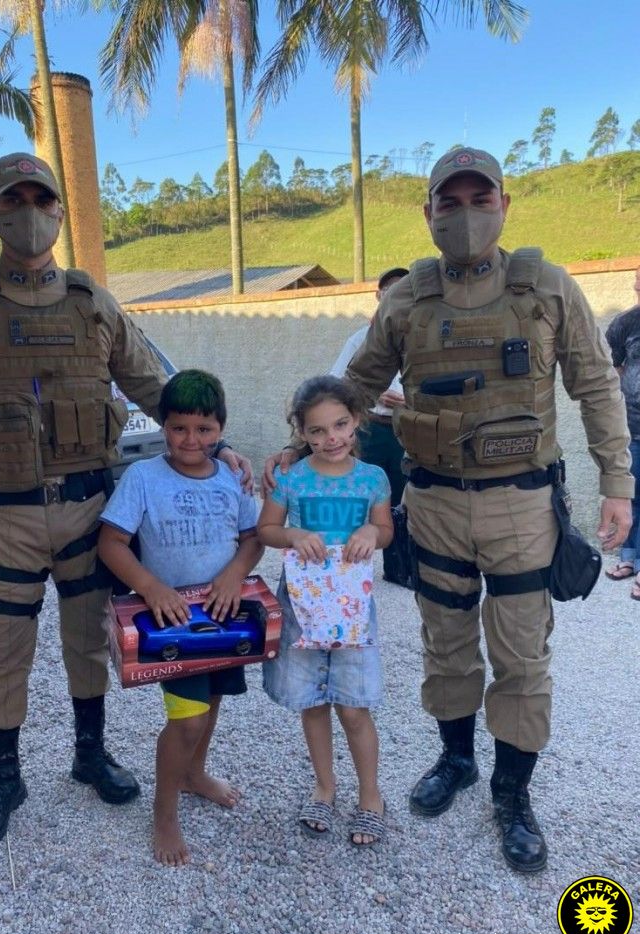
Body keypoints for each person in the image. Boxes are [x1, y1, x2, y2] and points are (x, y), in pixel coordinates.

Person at [265, 147, 632, 872]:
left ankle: (512, 794)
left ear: (504, 205)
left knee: (521, 654)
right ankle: (457, 760)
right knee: (447, 644)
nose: (466, 214)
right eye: (450, 202)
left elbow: (596, 384)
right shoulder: (408, 300)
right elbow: (354, 387)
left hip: (521, 505)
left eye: (479, 199)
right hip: (432, 503)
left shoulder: (548, 287)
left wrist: (617, 481)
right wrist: (297, 447)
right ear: (428, 212)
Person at [0, 153, 250, 856]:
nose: (29, 212)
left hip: (85, 509)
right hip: (0, 517)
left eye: (41, 198)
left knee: (87, 641)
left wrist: (215, 447)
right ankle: (3, 778)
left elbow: (155, 387)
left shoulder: (92, 301)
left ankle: (90, 753)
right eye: (14, 200)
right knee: (2, 650)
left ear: (60, 211)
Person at [98, 370, 262, 866]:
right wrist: (150, 587)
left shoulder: (232, 477)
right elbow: (111, 544)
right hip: (173, 624)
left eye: (204, 429)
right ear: (162, 426)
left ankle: (194, 774)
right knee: (187, 721)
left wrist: (234, 574)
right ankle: (164, 812)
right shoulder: (143, 477)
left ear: (221, 429)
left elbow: (253, 538)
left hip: (225, 616)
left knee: (211, 702)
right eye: (179, 428)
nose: (191, 440)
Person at [258, 376, 393, 846]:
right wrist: (293, 535)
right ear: (301, 432)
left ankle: (370, 796)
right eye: (316, 430)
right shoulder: (291, 478)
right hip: (302, 605)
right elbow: (267, 528)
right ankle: (324, 788)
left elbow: (386, 530)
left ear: (356, 420)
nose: (330, 438)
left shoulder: (373, 478)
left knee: (353, 707)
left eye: (339, 425)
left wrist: (372, 533)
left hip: (352, 608)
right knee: (313, 702)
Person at [329, 267, 410, 585]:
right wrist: (374, 395)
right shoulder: (360, 339)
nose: (396, 296)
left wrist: (409, 401)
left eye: (403, 289)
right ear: (379, 296)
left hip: (406, 430)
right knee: (357, 497)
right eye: (389, 290)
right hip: (370, 428)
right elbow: (337, 383)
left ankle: (399, 568)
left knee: (402, 500)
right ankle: (346, 566)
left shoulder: (422, 338)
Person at [604, 266, 640, 597]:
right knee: (631, 495)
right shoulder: (624, 323)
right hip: (632, 426)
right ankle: (629, 558)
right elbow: (613, 369)